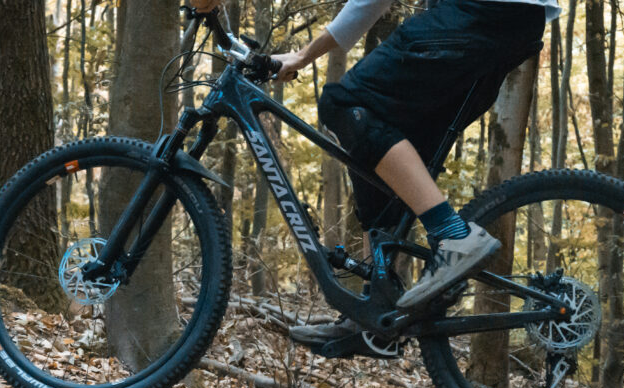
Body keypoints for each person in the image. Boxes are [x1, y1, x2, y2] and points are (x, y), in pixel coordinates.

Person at [188, 0, 559, 347]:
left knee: (347, 102)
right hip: (509, 23)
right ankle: (375, 314)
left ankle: (452, 235)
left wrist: (301, 54)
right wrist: (302, 55)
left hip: (484, 12)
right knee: (378, 158)